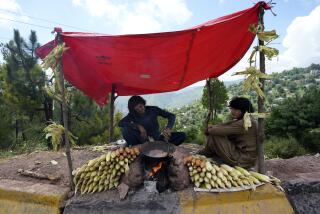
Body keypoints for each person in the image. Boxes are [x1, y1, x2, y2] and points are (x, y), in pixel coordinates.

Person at [199, 97, 258, 168]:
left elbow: (216, 131)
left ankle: (206, 153)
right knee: (221, 134)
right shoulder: (249, 119)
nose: (232, 111)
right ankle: (207, 152)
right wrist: (213, 127)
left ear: (240, 110)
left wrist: (209, 129)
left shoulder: (245, 122)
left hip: (242, 160)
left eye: (233, 109)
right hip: (246, 158)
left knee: (215, 135)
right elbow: (227, 125)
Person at [118, 96, 186, 146]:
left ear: (143, 103)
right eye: (137, 109)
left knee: (182, 135)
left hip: (158, 138)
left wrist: (168, 128)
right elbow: (120, 123)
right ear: (134, 110)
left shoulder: (153, 109)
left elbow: (171, 116)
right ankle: (138, 148)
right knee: (125, 130)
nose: (140, 109)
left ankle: (162, 146)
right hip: (142, 141)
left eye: (141, 106)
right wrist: (138, 126)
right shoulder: (132, 115)